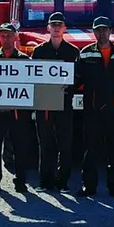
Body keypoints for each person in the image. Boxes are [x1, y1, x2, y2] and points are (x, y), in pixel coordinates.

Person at [75, 16, 114, 199]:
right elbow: (75, 79)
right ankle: (89, 187)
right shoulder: (85, 53)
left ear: (110, 31)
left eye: (104, 29)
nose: (101, 33)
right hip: (92, 110)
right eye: (98, 30)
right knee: (90, 149)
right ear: (93, 32)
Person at [31, 11, 79, 192]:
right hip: (44, 104)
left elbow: (78, 78)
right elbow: (32, 76)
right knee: (45, 143)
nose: (57, 28)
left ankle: (63, 182)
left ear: (65, 28)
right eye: (54, 25)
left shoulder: (73, 52)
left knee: (65, 144)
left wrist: (70, 88)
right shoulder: (39, 51)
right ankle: (45, 182)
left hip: (65, 103)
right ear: (48, 28)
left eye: (60, 25)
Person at [0, 23, 30, 194]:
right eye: (3, 35)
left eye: (9, 35)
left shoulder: (25, 61)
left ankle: (21, 182)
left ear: (16, 36)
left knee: (20, 147)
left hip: (18, 113)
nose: (6, 38)